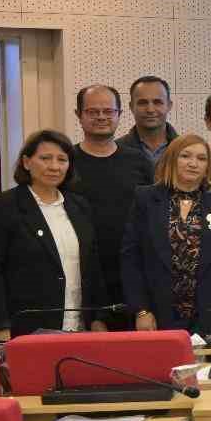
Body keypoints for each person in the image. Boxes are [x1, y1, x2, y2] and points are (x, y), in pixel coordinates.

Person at [0, 130, 107, 340]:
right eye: (45, 158)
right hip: (24, 330)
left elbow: (93, 267)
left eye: (62, 159)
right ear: (26, 162)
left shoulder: (79, 206)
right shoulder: (2, 206)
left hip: (80, 328)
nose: (54, 166)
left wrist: (99, 318)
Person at [122, 134, 211, 334]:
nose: (193, 163)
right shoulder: (145, 198)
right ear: (172, 159)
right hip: (157, 314)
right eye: (185, 156)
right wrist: (141, 310)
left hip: (210, 315)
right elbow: (131, 259)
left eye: (201, 158)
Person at [67, 84, 152, 330]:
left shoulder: (139, 161)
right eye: (93, 111)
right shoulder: (67, 163)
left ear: (120, 114)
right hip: (83, 273)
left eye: (108, 111)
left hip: (132, 273)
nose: (101, 117)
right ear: (79, 115)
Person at [117, 75, 178, 166]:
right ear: (131, 107)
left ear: (169, 106)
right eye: (142, 103)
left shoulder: (187, 150)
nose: (150, 110)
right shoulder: (115, 151)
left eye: (157, 102)